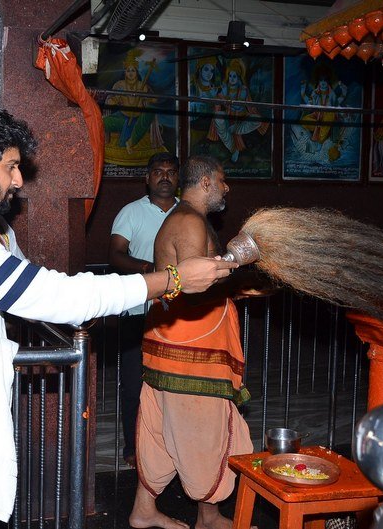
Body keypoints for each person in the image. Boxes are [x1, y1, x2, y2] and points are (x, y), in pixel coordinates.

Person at [0, 102, 236, 529]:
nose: (18, 181)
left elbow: (20, 293)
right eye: (11, 167)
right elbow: (60, 295)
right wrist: (171, 280)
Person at [130, 155, 254, 529]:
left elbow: (192, 281)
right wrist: (241, 283)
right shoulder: (188, 221)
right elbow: (192, 290)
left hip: (175, 343)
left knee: (161, 431)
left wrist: (238, 285)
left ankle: (144, 510)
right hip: (191, 351)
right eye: (222, 180)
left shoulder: (188, 219)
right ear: (204, 183)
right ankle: (209, 517)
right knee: (202, 432)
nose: (226, 187)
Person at [107, 152, 179, 470]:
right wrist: (150, 270)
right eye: (157, 171)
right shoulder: (131, 212)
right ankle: (133, 446)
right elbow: (116, 255)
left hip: (178, 313)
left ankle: (169, 446)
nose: (164, 176)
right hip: (138, 310)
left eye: (170, 172)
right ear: (147, 178)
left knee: (174, 382)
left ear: (178, 178)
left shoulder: (187, 213)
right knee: (135, 382)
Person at [102, 48, 166, 164]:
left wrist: (149, 99)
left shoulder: (143, 86)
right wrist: (113, 100)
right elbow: (111, 100)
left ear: (137, 72)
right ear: (125, 72)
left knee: (150, 112)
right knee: (102, 122)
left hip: (137, 120)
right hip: (121, 118)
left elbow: (153, 100)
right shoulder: (119, 85)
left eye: (133, 71)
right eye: (128, 71)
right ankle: (124, 135)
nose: (131, 73)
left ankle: (131, 141)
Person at [208, 58, 268, 163]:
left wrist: (225, 98)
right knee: (218, 117)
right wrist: (216, 93)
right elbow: (217, 100)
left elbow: (239, 107)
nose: (231, 78)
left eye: (234, 76)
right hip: (227, 120)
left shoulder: (243, 89)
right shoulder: (224, 87)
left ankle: (232, 131)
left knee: (257, 119)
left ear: (239, 77)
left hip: (240, 120)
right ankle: (233, 149)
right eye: (230, 76)